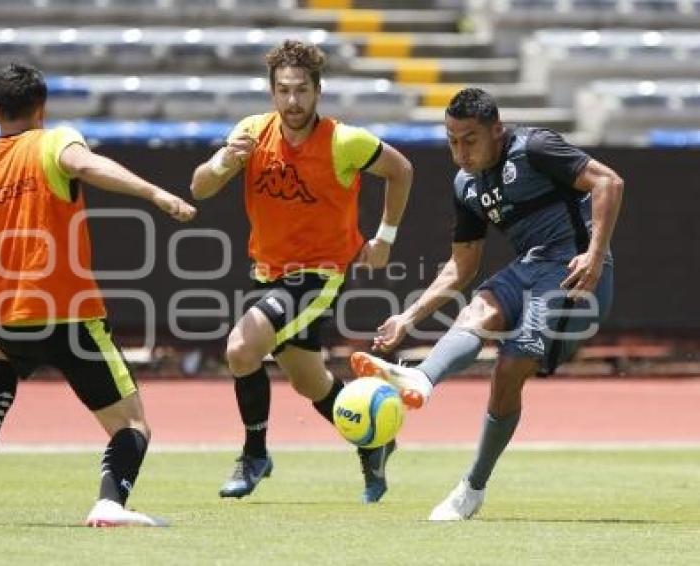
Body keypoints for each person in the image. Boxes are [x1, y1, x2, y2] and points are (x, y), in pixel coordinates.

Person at [0, 62, 197, 527]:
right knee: (132, 426)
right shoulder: (53, 141)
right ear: (41, 108)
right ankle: (110, 504)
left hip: (9, 315)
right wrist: (155, 195)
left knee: (3, 355)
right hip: (69, 314)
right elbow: (85, 164)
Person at [351, 87, 623, 519]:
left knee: (509, 370)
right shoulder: (466, 185)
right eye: (452, 140)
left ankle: (472, 486)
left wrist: (594, 253)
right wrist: (408, 317)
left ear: (496, 130)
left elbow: (609, 181)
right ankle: (421, 379)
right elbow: (462, 267)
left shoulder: (535, 147)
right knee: (478, 310)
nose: (460, 151)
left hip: (576, 273)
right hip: (530, 267)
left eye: (470, 139)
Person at [189, 40, 414, 503]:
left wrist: (385, 239)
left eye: (302, 91)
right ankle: (375, 442)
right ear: (272, 92)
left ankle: (254, 456)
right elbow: (200, 187)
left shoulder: (343, 140)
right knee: (309, 381)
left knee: (241, 347)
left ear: (318, 91)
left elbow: (401, 169)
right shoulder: (251, 133)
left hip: (319, 274)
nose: (293, 101)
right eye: (284, 91)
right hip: (267, 272)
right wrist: (224, 160)